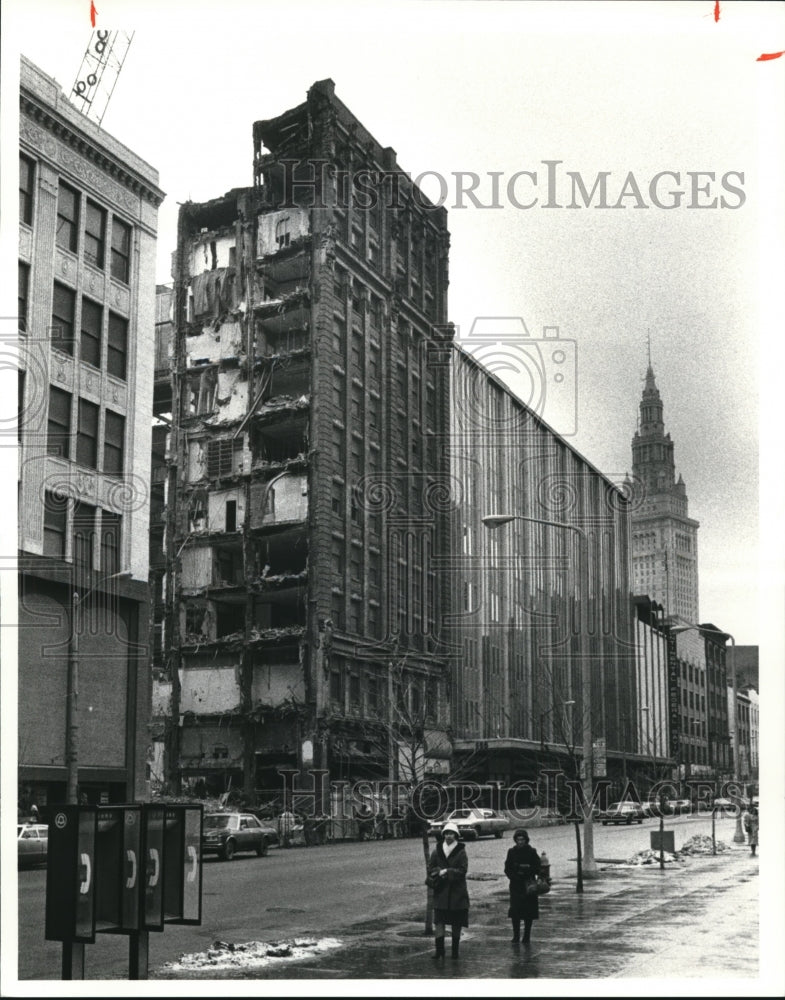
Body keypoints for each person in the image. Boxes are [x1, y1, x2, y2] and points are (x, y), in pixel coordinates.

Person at [427, 823, 470, 960]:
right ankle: (440, 951)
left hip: (457, 892)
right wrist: (437, 872)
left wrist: (448, 872)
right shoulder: (437, 850)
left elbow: (463, 871)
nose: (448, 836)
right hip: (441, 891)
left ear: (456, 835)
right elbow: (431, 867)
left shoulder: (461, 851)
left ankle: (455, 951)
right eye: (446, 833)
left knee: (456, 922)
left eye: (451, 833)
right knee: (439, 921)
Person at [504, 828, 542, 945]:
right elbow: (507, 868)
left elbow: (538, 867)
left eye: (522, 839)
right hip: (516, 886)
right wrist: (514, 876)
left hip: (528, 885)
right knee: (515, 911)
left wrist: (527, 870)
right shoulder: (511, 851)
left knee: (528, 912)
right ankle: (516, 936)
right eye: (518, 839)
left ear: (526, 840)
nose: (520, 842)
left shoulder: (531, 851)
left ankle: (526, 936)